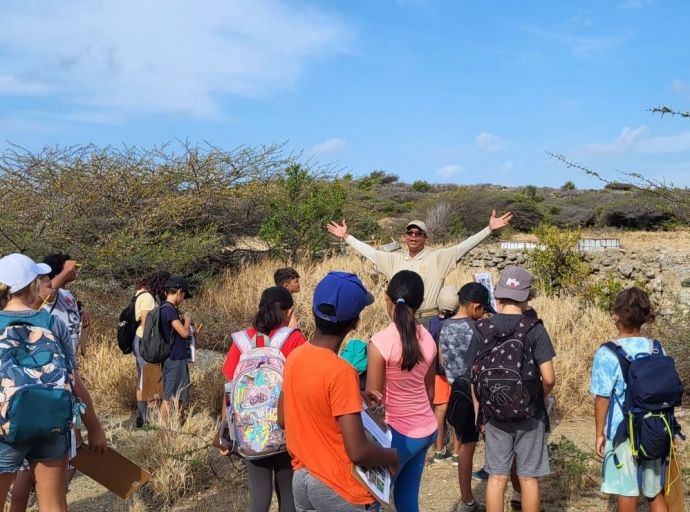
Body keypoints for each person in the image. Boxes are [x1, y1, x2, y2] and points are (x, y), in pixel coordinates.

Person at [278, 271, 399, 512]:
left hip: (302, 479)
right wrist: (392, 456)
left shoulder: (295, 356)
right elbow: (358, 452)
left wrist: (353, 395)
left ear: (313, 312)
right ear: (356, 322)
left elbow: (283, 419)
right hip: (338, 487)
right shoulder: (342, 371)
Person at [0, 253, 107, 512]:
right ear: (34, 284)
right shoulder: (52, 322)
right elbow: (74, 382)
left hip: (5, 426)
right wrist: (94, 428)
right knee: (54, 505)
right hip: (52, 421)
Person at [326, 211, 512, 328]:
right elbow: (372, 254)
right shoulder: (394, 259)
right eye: (410, 233)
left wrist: (488, 230)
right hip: (401, 319)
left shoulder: (437, 258)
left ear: (426, 238)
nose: (413, 236)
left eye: (418, 233)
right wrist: (347, 237)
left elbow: (462, 247)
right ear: (405, 237)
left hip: (429, 320)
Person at [467, 268, 555, 512]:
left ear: (498, 296)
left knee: (496, 476)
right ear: (527, 297)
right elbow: (548, 377)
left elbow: (474, 379)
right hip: (530, 413)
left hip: (494, 413)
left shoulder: (482, 329)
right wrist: (539, 397)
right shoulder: (534, 327)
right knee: (528, 478)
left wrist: (480, 415)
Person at [221, 286, 306, 512]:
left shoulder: (241, 340)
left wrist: (226, 433)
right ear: (289, 311)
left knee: (259, 498)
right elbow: (305, 385)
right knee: (288, 495)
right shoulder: (294, 338)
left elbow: (230, 391)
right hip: (286, 431)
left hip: (250, 433)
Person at [590, 288, 673, 512]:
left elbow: (602, 398)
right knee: (655, 491)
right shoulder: (657, 349)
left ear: (616, 316)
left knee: (627, 492)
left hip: (622, 431)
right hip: (656, 427)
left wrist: (600, 433)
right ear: (644, 318)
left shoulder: (607, 353)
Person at [366, 270, 437, 512]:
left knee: (372, 500)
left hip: (396, 436)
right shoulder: (428, 339)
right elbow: (430, 394)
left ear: (386, 297)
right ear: (422, 303)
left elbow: (373, 401)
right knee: (407, 502)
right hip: (425, 430)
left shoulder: (380, 342)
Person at [439, 282, 495, 512]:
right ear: (475, 306)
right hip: (477, 393)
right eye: (483, 309)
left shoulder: (443, 327)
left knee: (465, 447)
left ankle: (467, 500)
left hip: (456, 392)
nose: (484, 314)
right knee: (490, 445)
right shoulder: (477, 329)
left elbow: (442, 362)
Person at [132, 271, 171, 427]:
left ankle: (143, 417)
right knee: (148, 379)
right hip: (145, 341)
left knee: (143, 378)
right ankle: (145, 418)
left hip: (140, 340)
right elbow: (146, 324)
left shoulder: (141, 293)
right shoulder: (147, 298)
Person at [429, 286, 461, 464]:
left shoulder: (433, 324)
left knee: (439, 412)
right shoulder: (458, 322)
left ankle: (439, 451)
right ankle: (457, 453)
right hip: (456, 373)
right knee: (457, 410)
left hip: (438, 374)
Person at [42, 253, 91, 357]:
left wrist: (81, 313)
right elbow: (50, 290)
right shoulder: (53, 292)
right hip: (56, 352)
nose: (74, 270)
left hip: (70, 352)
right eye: (71, 268)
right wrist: (66, 270)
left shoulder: (66, 293)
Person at [159, 276, 193, 418]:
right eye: (183, 295)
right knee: (169, 395)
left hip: (170, 356)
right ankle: (163, 429)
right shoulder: (169, 310)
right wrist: (187, 321)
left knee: (179, 393)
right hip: (175, 357)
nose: (183, 300)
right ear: (179, 292)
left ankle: (178, 421)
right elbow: (184, 333)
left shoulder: (163, 308)